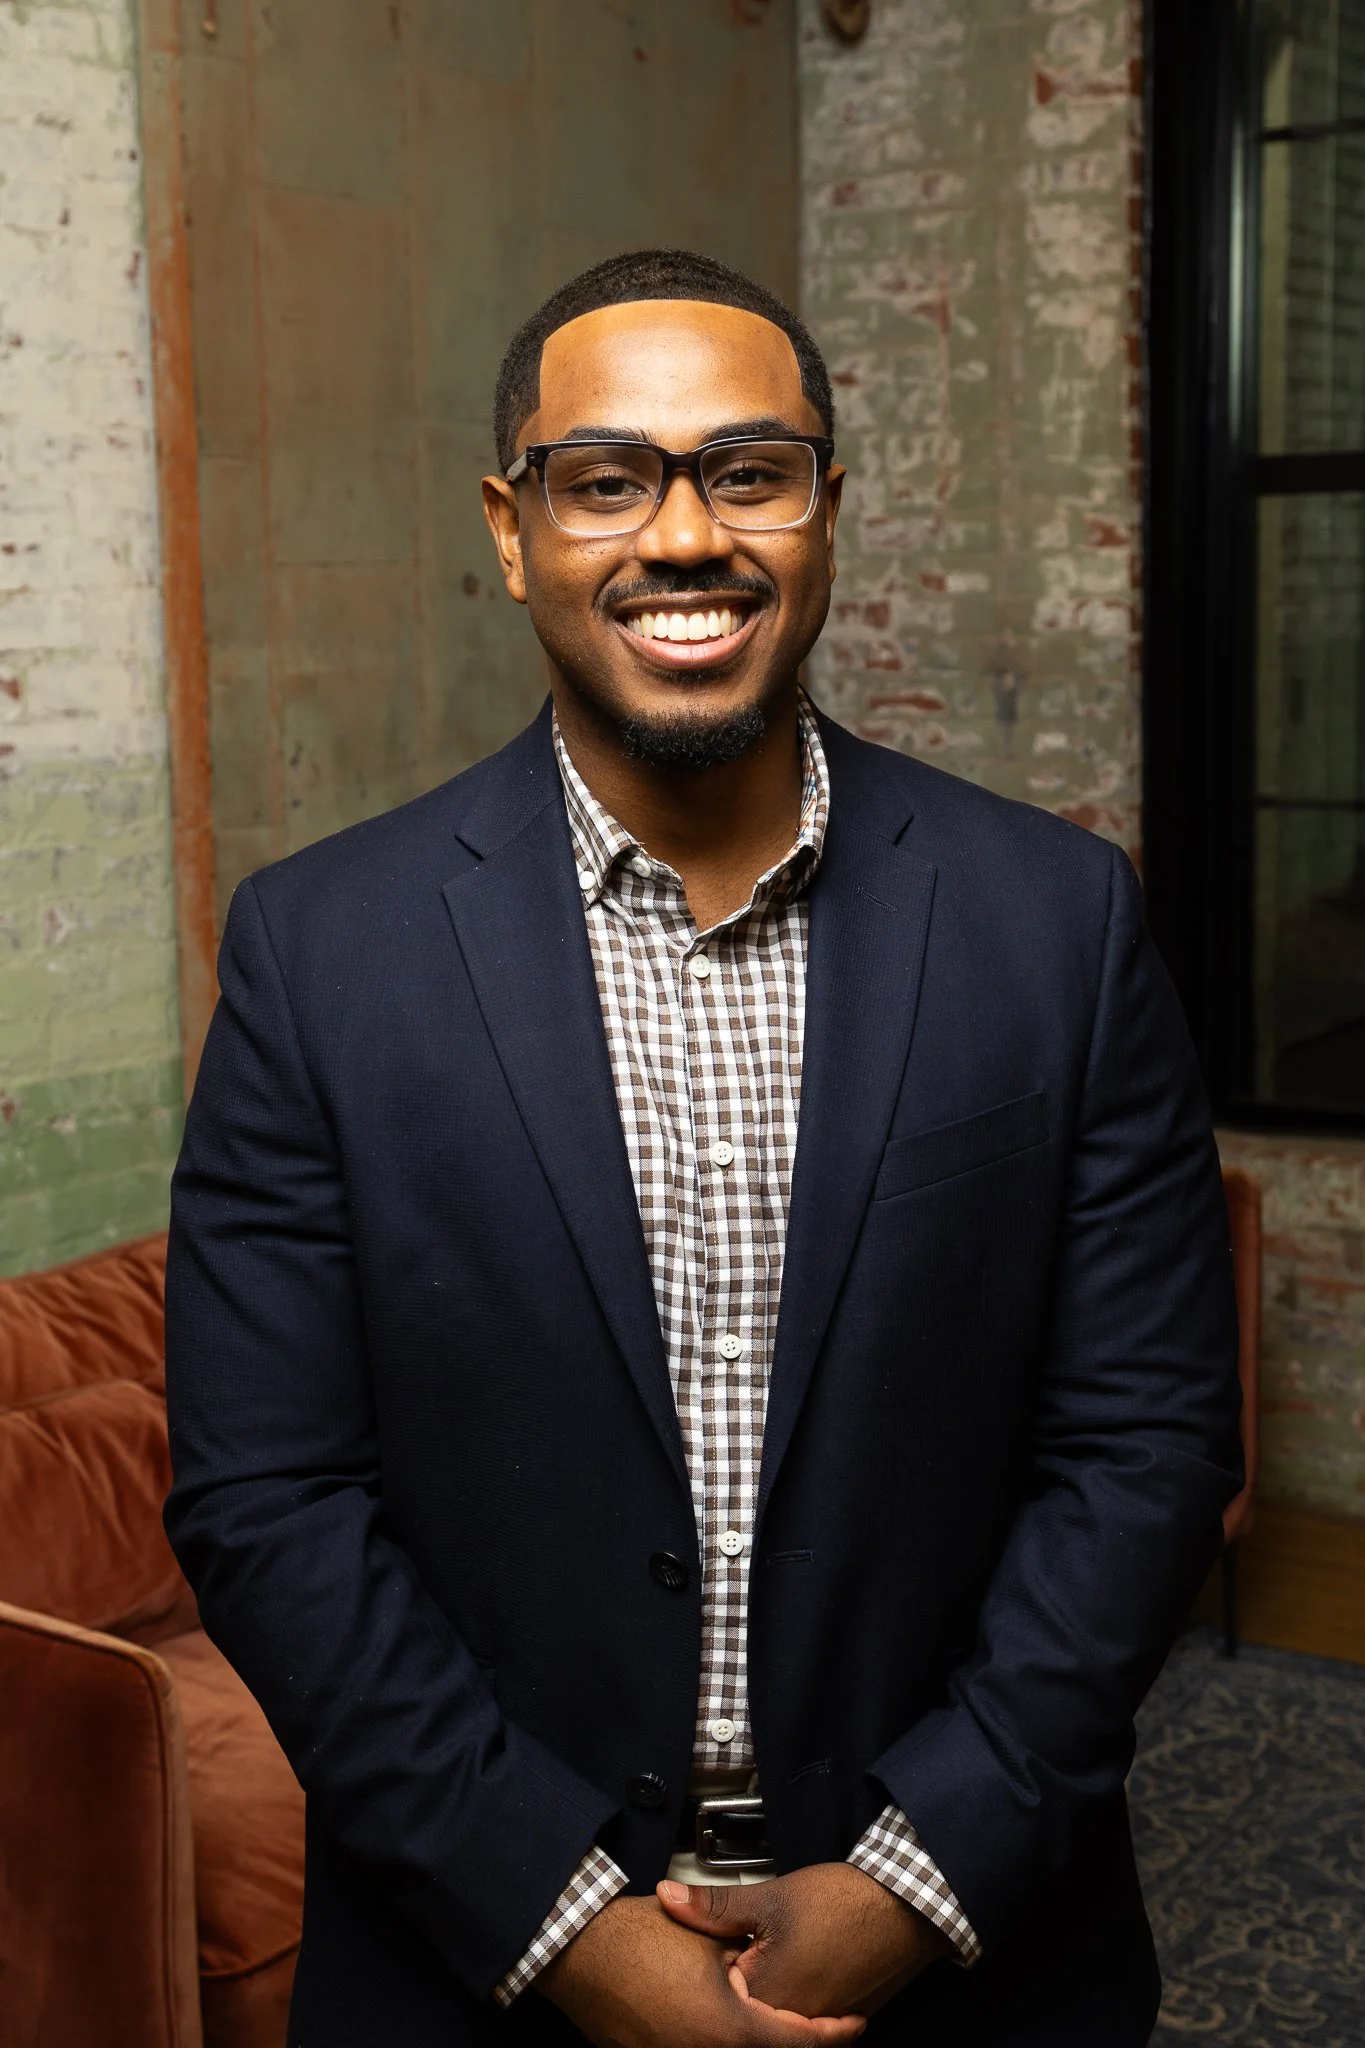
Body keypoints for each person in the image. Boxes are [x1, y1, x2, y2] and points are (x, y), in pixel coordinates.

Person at [164, 249, 1242, 2048]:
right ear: (514, 530)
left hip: (972, 1949)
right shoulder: (316, 953)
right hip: (481, 1959)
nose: (685, 536)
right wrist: (576, 1933)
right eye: (608, 480)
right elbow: (271, 1502)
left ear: (826, 511)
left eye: (748, 470)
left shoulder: (1056, 920)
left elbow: (1142, 1443)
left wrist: (917, 1882)